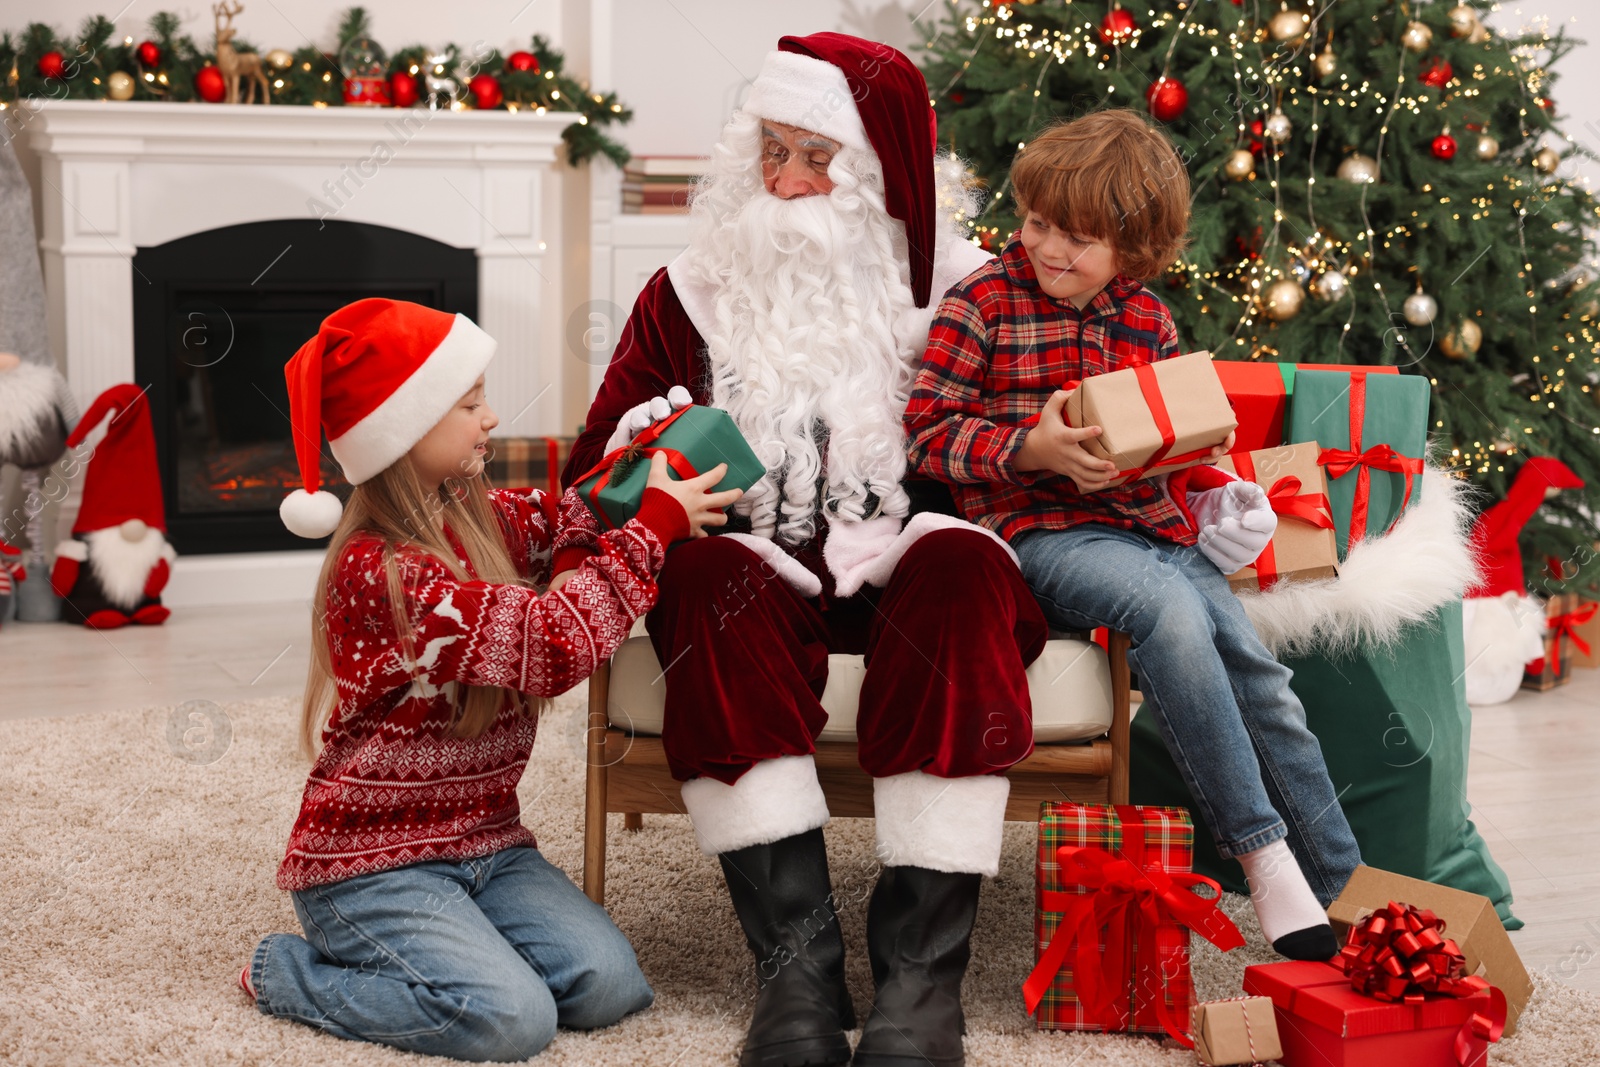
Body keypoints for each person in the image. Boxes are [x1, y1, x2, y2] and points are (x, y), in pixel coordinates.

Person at [564, 32, 1045, 1067]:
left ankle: (920, 978)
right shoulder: (685, 292)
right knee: (700, 573)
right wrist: (642, 453)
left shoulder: (971, 290)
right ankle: (797, 968)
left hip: (910, 565)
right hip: (756, 571)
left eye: (816, 158)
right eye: (771, 152)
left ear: (876, 176)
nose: (785, 183)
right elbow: (584, 480)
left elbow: (1035, 453)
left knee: (965, 570)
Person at [905, 110, 1361, 962]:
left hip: (1154, 532)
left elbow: (1175, 452)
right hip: (1042, 535)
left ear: (1134, 249)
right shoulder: (983, 303)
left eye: (1078, 240)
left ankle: (1342, 882)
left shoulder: (1147, 320)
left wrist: (1214, 492)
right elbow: (926, 434)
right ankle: (1261, 851)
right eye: (1039, 223)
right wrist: (1029, 449)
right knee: (1169, 613)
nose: (1049, 249)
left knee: (1260, 673)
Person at [242, 298, 739, 1062]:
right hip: (374, 863)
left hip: (488, 843)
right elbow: (553, 646)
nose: (491, 416)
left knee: (611, 986)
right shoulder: (385, 574)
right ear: (404, 431)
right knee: (510, 1020)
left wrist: (634, 462)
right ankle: (287, 971)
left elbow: (571, 517)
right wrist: (658, 527)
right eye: (469, 403)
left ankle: (472, 947)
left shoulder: (481, 518)